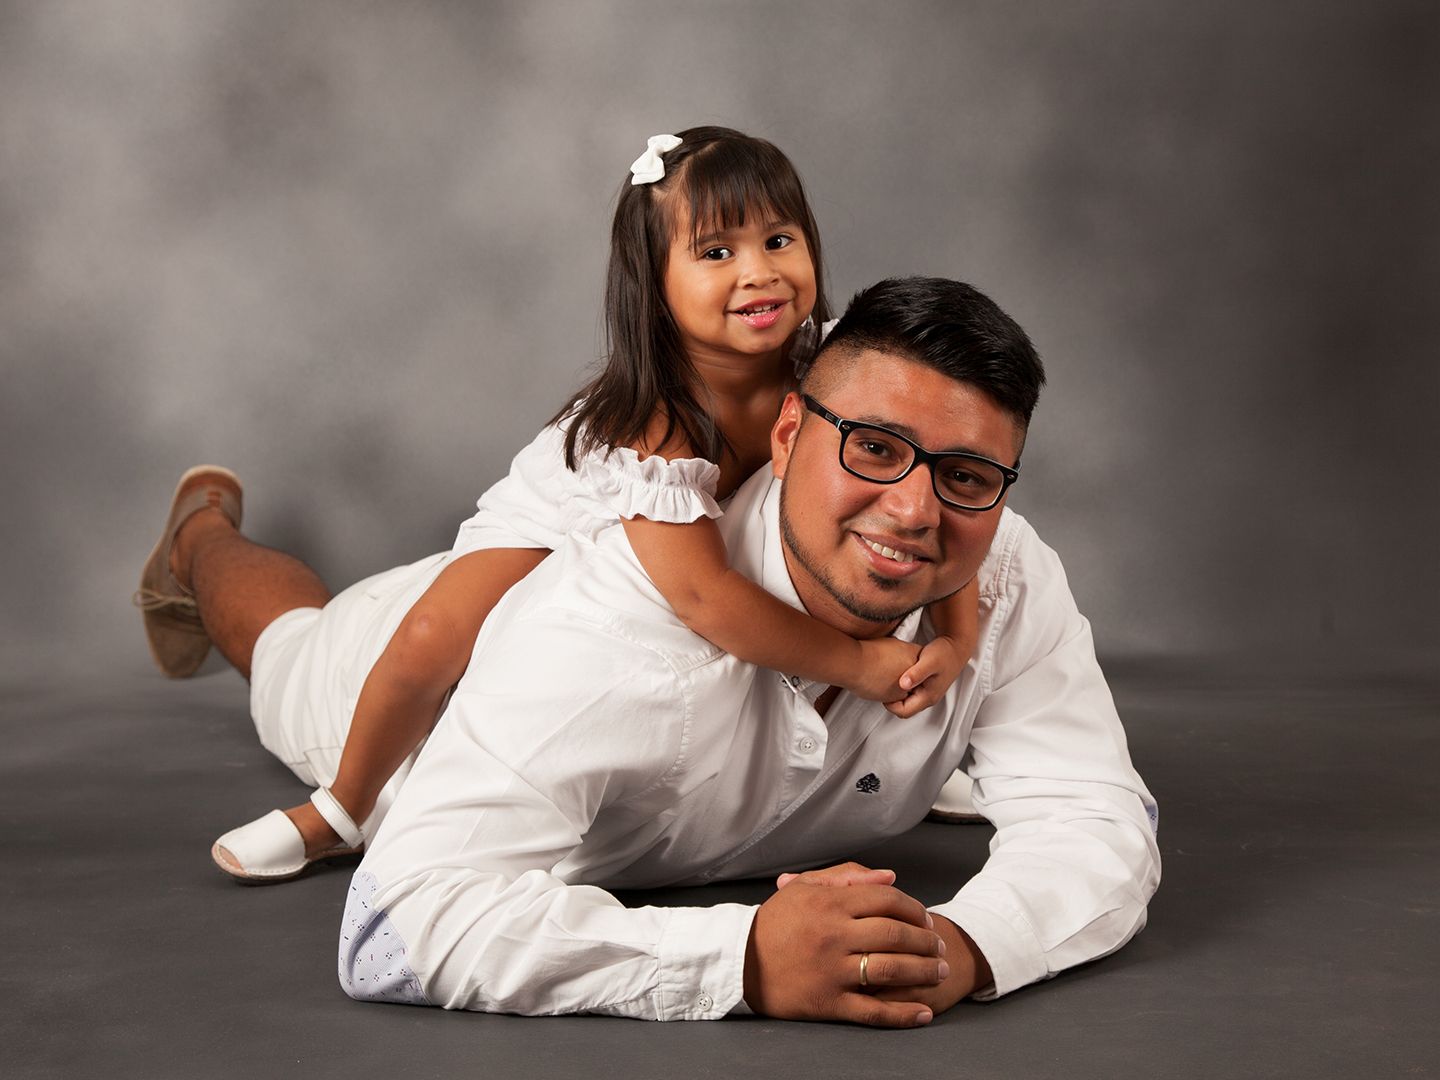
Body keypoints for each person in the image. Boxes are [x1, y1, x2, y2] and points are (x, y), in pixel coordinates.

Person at [144, 275, 1160, 1025]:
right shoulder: (607, 632)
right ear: (790, 431)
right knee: (290, 644)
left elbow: (1096, 814)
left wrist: (968, 943)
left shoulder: (1004, 573)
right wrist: (743, 959)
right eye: (876, 449)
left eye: (968, 475)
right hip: (414, 685)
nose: (914, 510)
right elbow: (391, 931)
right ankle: (200, 536)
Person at [133, 128, 980, 881]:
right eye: (716, 253)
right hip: (565, 516)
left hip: (686, 559)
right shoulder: (657, 423)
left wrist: (957, 641)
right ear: (654, 286)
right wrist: (867, 667)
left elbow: (929, 483)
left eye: (778, 239)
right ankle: (341, 802)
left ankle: (889, 767)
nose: (758, 272)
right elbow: (706, 598)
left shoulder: (832, 362)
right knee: (429, 634)